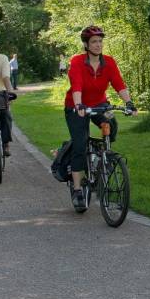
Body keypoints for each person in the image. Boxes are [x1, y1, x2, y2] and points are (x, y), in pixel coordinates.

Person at [61, 25, 135, 209]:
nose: (98, 45)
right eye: (94, 42)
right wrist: (78, 105)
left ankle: (103, 157)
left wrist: (129, 102)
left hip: (100, 104)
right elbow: (76, 84)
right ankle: (78, 190)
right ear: (86, 44)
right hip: (76, 106)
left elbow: (118, 83)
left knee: (111, 124)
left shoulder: (109, 62)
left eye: (100, 41)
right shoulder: (77, 61)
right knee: (79, 145)